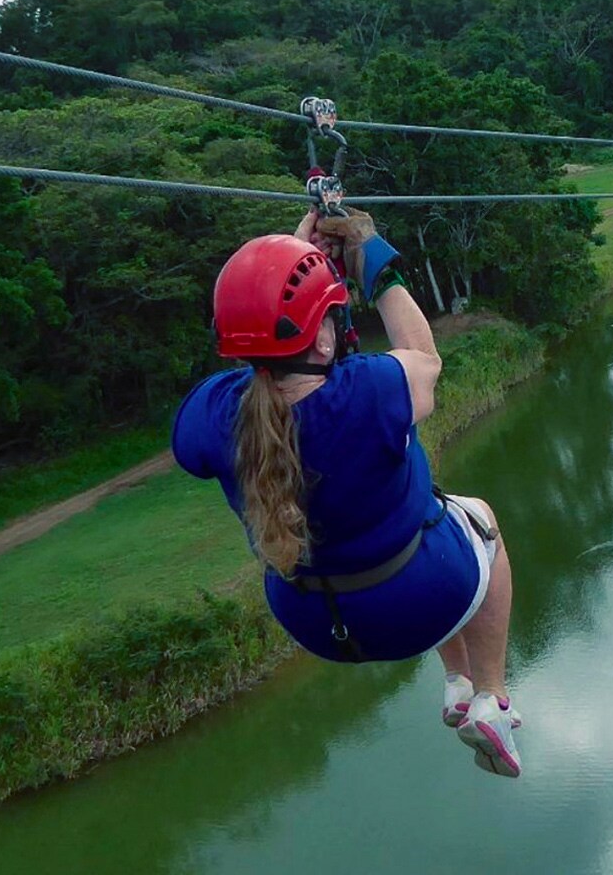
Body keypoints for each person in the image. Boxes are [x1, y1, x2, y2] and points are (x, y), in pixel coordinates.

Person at [171, 208, 523, 777]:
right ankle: (490, 698)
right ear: (322, 335)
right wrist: (373, 261)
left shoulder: (211, 415)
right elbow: (425, 360)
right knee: (477, 519)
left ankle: (456, 684)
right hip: (419, 601)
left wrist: (294, 257)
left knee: (433, 522)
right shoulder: (370, 392)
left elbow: (255, 379)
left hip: (312, 622)